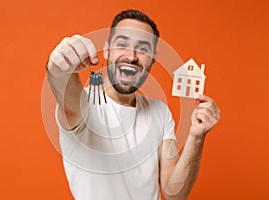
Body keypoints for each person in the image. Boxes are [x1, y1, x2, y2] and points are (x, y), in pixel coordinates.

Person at [46, 9, 220, 200]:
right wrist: (59, 68)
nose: (131, 56)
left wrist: (196, 137)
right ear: (106, 50)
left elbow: (174, 194)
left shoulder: (160, 111)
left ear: (152, 60)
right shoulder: (85, 104)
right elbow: (66, 92)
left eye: (143, 49)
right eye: (122, 44)